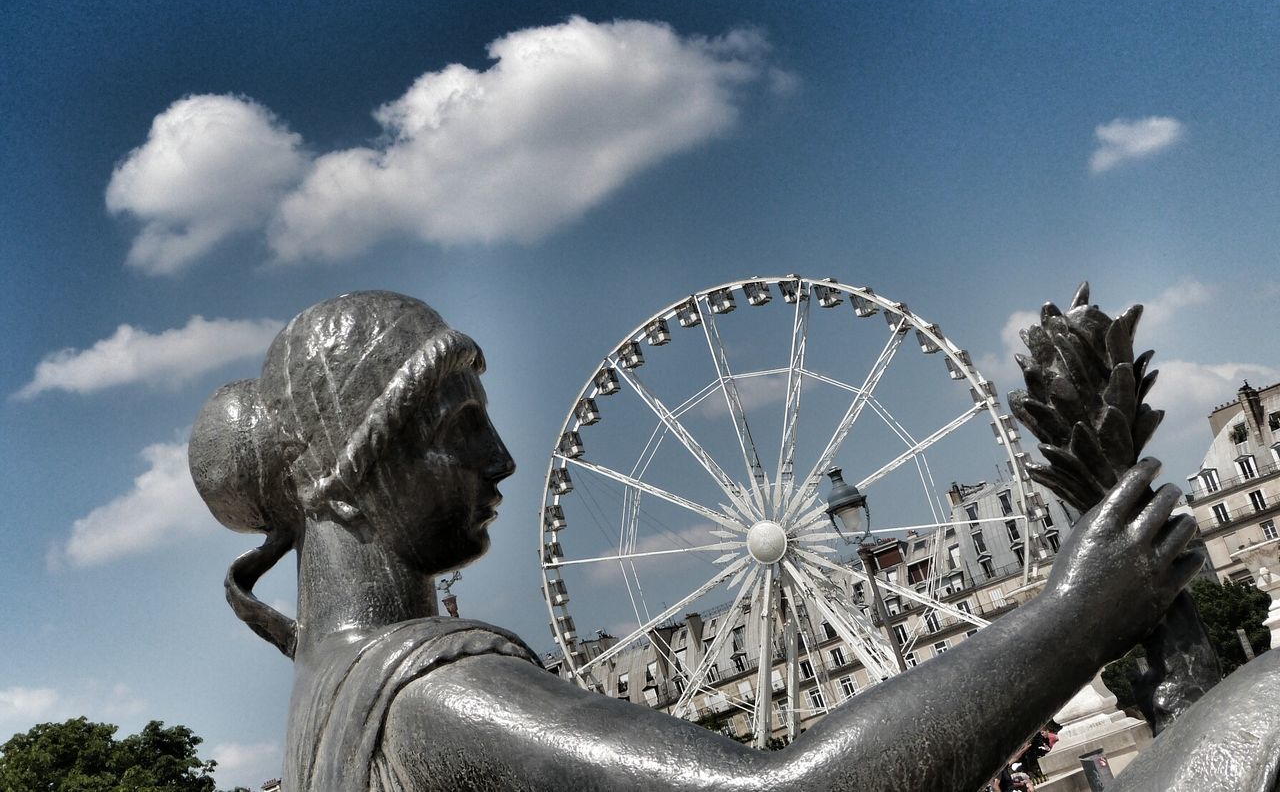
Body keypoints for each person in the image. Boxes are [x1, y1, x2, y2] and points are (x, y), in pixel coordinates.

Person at [189, 290, 1204, 791]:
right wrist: (1075, 616)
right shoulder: (430, 698)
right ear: (351, 471)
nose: (500, 459)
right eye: (459, 427)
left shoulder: (329, 693)